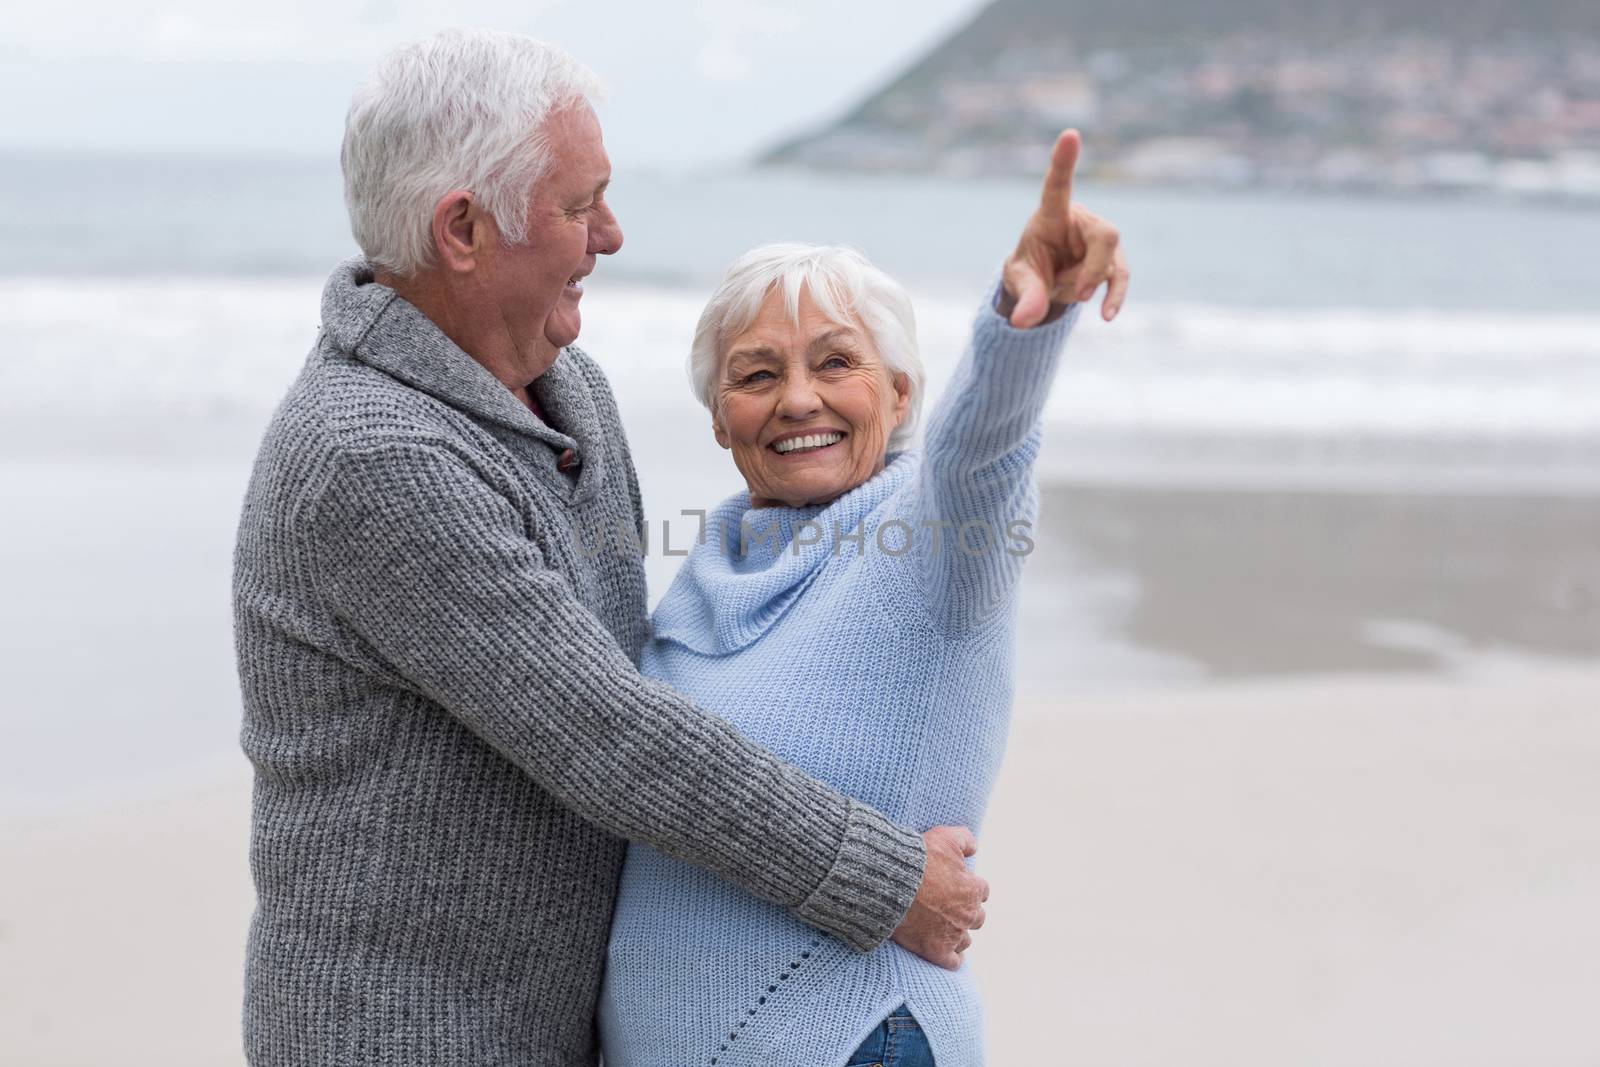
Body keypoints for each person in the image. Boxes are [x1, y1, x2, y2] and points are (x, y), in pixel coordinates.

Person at [231, 29, 994, 1065]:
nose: (613, 233)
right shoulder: (371, 457)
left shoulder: (566, 387)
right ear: (463, 229)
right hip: (408, 1034)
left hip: (561, 1026)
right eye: (580, 203)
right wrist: (884, 879)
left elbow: (639, 671)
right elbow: (608, 734)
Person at [597, 131, 1128, 1066]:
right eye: (759, 374)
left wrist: (1024, 320)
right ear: (721, 419)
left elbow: (986, 448)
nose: (798, 399)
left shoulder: (932, 541)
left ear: (899, 390)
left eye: (836, 363)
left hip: (857, 1038)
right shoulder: (704, 571)